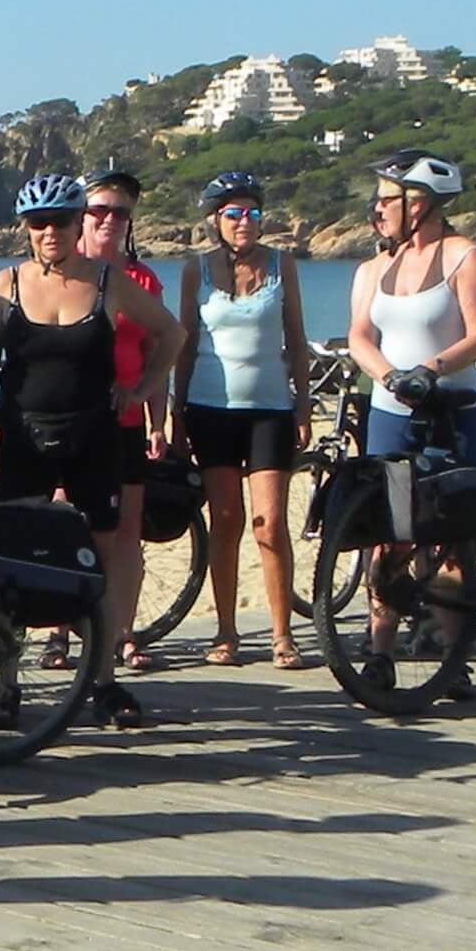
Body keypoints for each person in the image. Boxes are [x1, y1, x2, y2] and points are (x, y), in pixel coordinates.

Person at [0, 174, 181, 729]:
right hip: (24, 438)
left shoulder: (109, 282)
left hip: (94, 438)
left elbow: (171, 335)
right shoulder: (6, 284)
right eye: (39, 223)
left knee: (99, 560)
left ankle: (103, 680)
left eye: (60, 220)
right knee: (12, 564)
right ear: (26, 229)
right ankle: (7, 686)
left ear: (79, 221)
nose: (50, 232)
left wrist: (139, 389)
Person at [344, 151, 476, 695]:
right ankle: (380, 647)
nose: (377, 209)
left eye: (387, 199)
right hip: (392, 412)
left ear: (420, 203)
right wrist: (389, 377)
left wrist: (431, 370)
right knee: (390, 531)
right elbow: (360, 335)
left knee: (453, 532)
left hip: (454, 408)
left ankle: (450, 651)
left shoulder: (463, 256)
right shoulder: (373, 268)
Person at [175, 172, 312, 670]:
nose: (244, 223)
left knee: (270, 523)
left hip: (270, 410)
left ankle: (282, 634)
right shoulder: (197, 272)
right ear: (216, 220)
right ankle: (226, 630)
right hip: (210, 410)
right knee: (226, 520)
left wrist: (304, 404)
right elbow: (185, 345)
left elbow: (296, 338)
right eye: (233, 214)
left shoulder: (283, 265)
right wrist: (175, 412)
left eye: (253, 213)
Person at [69, 166, 170, 674]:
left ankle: (122, 634)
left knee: (126, 532)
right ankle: (64, 632)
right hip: (69, 422)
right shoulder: (63, 269)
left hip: (125, 421)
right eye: (99, 210)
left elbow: (160, 351)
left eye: (121, 212)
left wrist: (157, 419)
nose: (110, 220)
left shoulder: (142, 280)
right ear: (80, 217)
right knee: (70, 527)